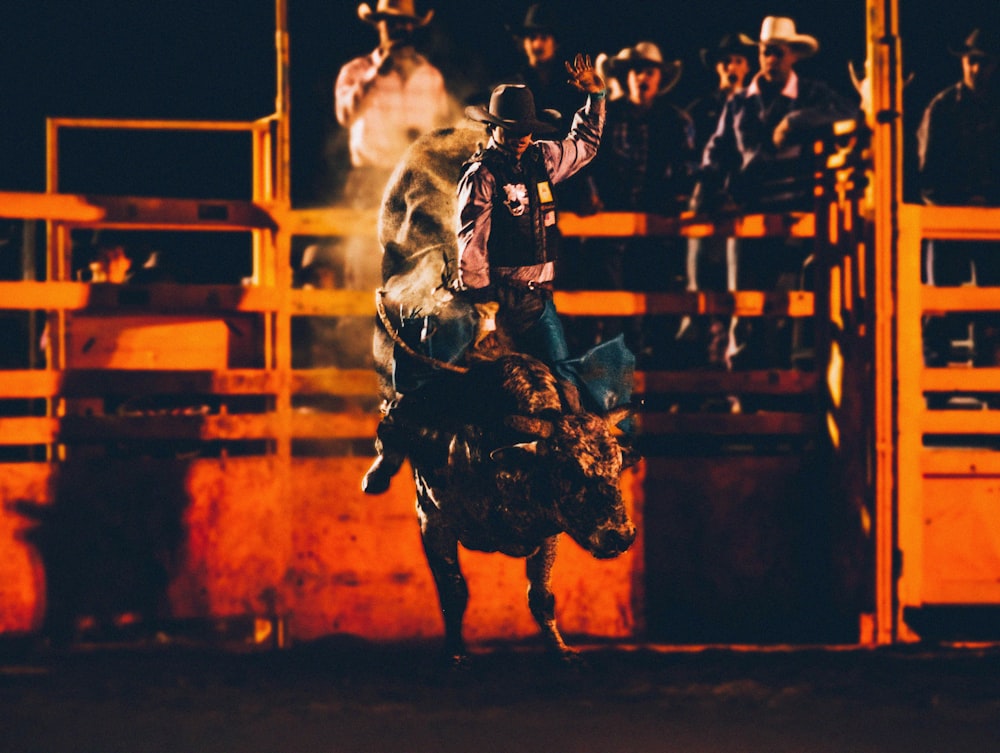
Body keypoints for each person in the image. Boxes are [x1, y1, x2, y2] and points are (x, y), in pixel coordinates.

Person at [362, 54, 609, 495]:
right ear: (494, 129)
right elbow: (471, 237)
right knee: (437, 365)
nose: (519, 138)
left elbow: (584, 144)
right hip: (490, 294)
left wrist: (595, 95)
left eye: (525, 130)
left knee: (566, 388)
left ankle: (572, 482)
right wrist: (482, 298)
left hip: (534, 297)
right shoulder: (481, 174)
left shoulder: (544, 160)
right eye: (511, 130)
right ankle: (394, 439)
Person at [689, 16, 858, 376]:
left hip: (793, 219)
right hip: (748, 216)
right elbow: (716, 150)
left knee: (784, 310)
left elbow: (850, 111)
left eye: (778, 52)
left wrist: (796, 121)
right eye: (766, 52)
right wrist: (705, 186)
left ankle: (778, 397)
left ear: (793, 55)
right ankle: (745, 398)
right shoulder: (739, 104)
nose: (771, 59)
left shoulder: (811, 95)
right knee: (745, 309)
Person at [576, 41, 694, 365]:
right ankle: (614, 393)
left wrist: (678, 199)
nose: (642, 77)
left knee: (655, 317)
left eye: (649, 72)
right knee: (611, 318)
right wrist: (590, 194)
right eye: (636, 71)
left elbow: (687, 171)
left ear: (658, 78)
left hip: (657, 235)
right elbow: (586, 162)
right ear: (626, 77)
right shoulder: (605, 117)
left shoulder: (676, 121)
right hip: (609, 234)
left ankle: (651, 396)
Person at [334, 0, 454, 291]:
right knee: (364, 262)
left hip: (415, 182)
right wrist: (375, 76)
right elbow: (345, 115)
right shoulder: (357, 71)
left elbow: (440, 131)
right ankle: (357, 328)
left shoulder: (430, 77)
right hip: (369, 179)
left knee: (415, 266)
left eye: (402, 23)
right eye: (390, 23)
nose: (397, 29)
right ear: (379, 26)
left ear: (412, 27)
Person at [917, 27, 1000, 370]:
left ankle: (990, 379)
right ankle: (934, 379)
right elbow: (926, 171)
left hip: (992, 218)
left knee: (992, 301)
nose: (976, 69)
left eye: (982, 62)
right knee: (939, 301)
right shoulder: (942, 106)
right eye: (971, 62)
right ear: (963, 63)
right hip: (948, 217)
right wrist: (953, 208)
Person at [675, 33, 756, 371]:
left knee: (743, 295)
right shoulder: (699, 111)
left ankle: (737, 374)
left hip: (745, 210)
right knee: (703, 290)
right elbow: (690, 157)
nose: (731, 66)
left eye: (737, 60)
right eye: (725, 61)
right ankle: (699, 373)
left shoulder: (758, 107)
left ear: (747, 65)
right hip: (706, 209)